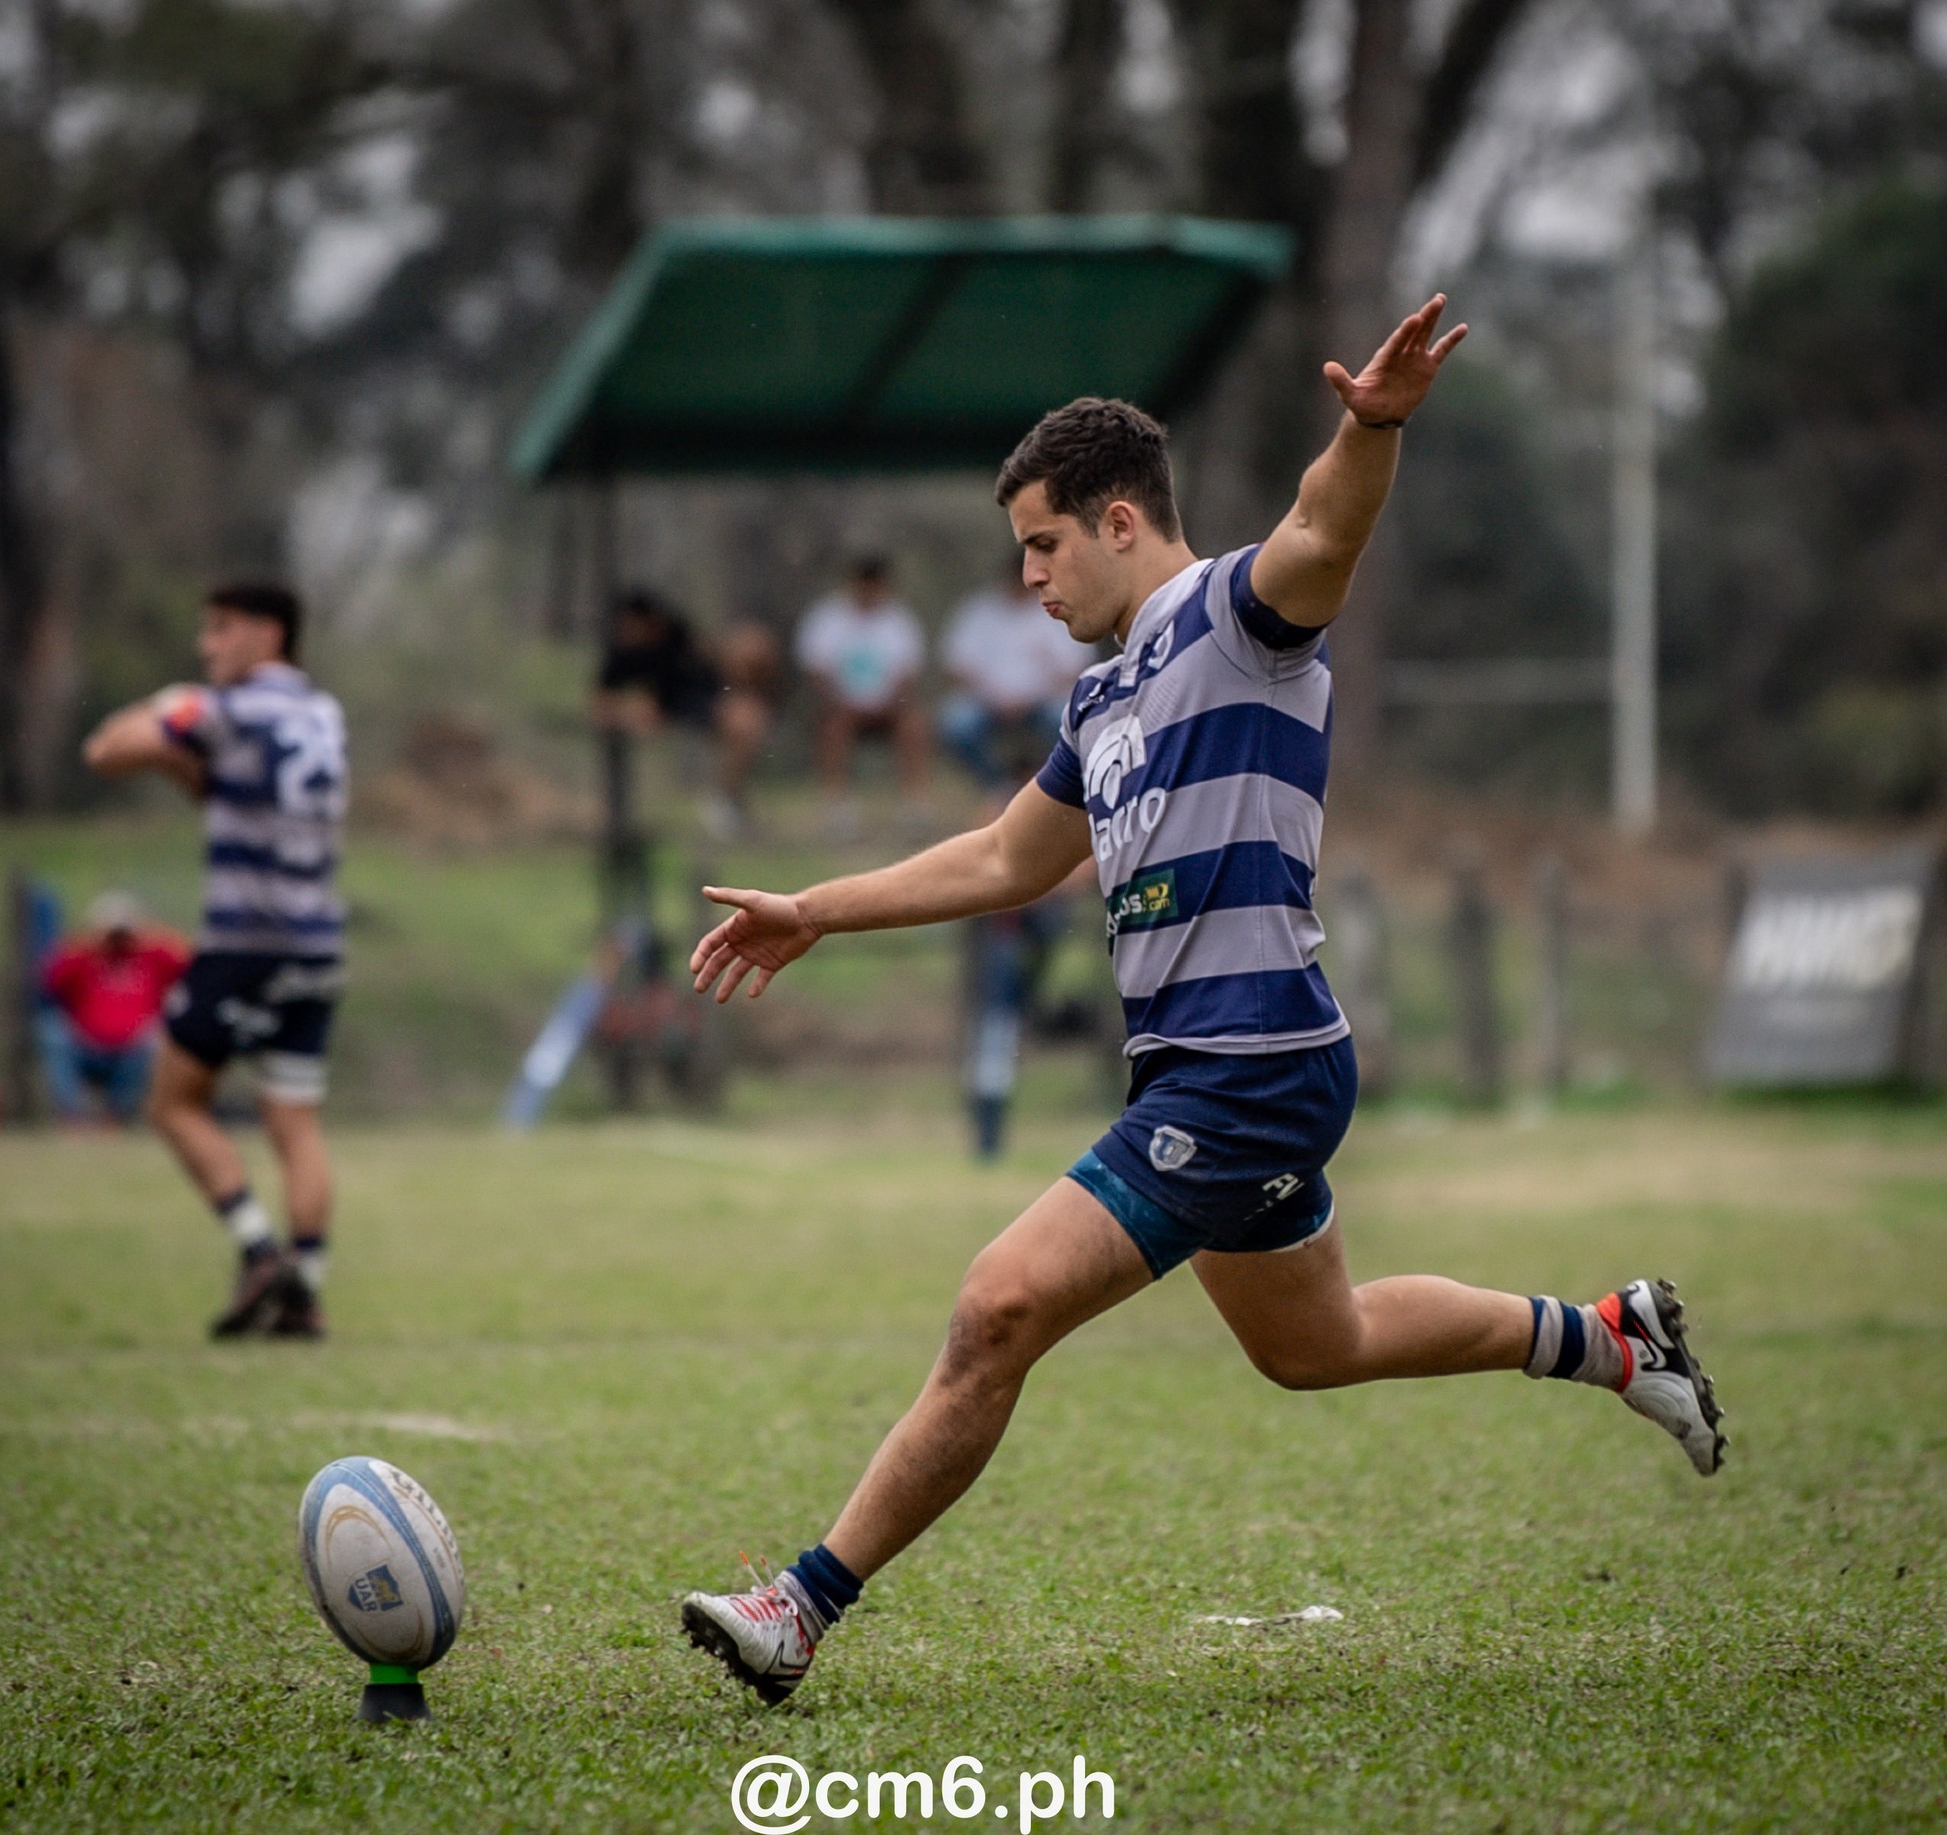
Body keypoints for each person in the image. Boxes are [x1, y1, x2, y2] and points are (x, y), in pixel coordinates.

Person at [677, 298, 1727, 1704]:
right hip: (1204, 1069)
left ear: (1121, 521)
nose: (1032, 580)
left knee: (997, 1306)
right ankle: (1609, 1334)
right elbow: (1003, 856)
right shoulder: (1099, 702)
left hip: (1250, 1063)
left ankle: (797, 1608)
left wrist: (1371, 427)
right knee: (1317, 1344)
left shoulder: (1234, 618)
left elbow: (1322, 531)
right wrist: (815, 904)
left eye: (1043, 545)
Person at [82, 581, 348, 1340]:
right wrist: (184, 767)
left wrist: (171, 704)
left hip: (246, 943)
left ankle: (260, 1250)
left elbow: (106, 750)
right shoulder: (322, 713)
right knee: (294, 1119)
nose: (208, 646)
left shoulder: (228, 708)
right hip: (318, 942)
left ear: (270, 633)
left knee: (171, 1101)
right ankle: (308, 1291)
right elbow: (237, 794)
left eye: (222, 629)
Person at [596, 588, 774, 840]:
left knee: (746, 723)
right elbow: (600, 704)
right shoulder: (621, 653)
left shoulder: (675, 632)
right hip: (667, 710)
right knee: (743, 722)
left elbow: (705, 668)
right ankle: (723, 802)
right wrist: (630, 713)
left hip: (699, 702)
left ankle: (725, 797)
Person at [939, 551, 1097, 789]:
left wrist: (1031, 696)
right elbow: (957, 667)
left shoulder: (1057, 611)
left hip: (1042, 701)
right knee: (958, 725)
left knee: (1066, 720)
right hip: (987, 701)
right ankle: (999, 784)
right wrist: (993, 696)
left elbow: (1075, 667)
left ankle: (1049, 783)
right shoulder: (980, 611)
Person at [794, 557, 929, 830]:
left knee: (914, 727)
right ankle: (836, 804)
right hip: (841, 708)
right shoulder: (827, 618)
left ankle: (913, 805)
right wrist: (840, 701)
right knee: (834, 730)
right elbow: (817, 671)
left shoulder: (898, 620)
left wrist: (889, 701)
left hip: (888, 709)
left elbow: (907, 674)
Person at [37, 893, 191, 1126]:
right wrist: (88, 945)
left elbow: (191, 965)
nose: (118, 939)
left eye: (123, 932)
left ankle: (115, 1117)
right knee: (52, 1032)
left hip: (133, 1048)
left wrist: (149, 936)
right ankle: (71, 1118)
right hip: (85, 1046)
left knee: (154, 1039)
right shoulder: (82, 957)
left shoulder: (153, 956)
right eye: (112, 932)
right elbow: (50, 981)